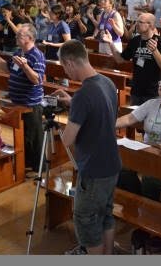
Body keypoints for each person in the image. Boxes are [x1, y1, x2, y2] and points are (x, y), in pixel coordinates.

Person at [52, 40, 121, 255]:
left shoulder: (83, 95)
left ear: (70, 63)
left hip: (93, 169)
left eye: (64, 67)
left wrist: (56, 129)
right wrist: (74, 104)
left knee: (86, 220)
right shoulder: (107, 82)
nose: (65, 71)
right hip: (111, 164)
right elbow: (101, 110)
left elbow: (68, 139)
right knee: (106, 215)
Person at [0, 24, 45, 174]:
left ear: (29, 38)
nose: (16, 37)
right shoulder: (19, 52)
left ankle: (38, 169)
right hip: (18, 103)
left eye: (20, 35)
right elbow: (6, 68)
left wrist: (25, 67)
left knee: (34, 139)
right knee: (23, 136)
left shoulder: (37, 55)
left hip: (31, 104)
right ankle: (25, 163)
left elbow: (37, 80)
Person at [115, 73, 161, 201]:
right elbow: (129, 118)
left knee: (151, 178)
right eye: (160, 82)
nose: (160, 85)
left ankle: (148, 204)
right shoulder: (151, 103)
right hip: (148, 150)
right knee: (122, 167)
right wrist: (108, 125)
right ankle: (136, 199)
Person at [102, 13, 161, 105]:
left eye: (140, 22)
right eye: (137, 22)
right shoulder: (135, 41)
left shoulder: (160, 41)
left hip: (153, 92)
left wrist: (155, 51)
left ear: (150, 25)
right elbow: (120, 59)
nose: (137, 24)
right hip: (136, 91)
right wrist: (111, 43)